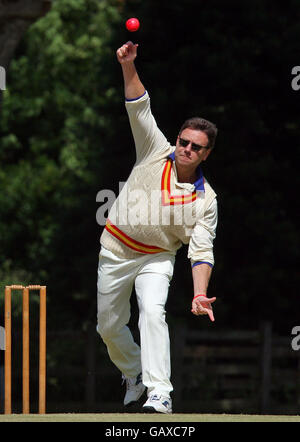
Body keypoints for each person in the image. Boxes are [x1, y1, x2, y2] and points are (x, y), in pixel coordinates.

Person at [97, 41, 218, 414]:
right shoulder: (155, 150)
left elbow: (201, 249)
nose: (185, 149)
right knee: (108, 326)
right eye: (183, 141)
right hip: (115, 250)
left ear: (205, 153)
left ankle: (159, 393)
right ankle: (133, 374)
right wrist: (128, 65)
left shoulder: (206, 199)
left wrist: (200, 294)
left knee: (153, 311)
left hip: (157, 258)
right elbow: (139, 108)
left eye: (195, 147)